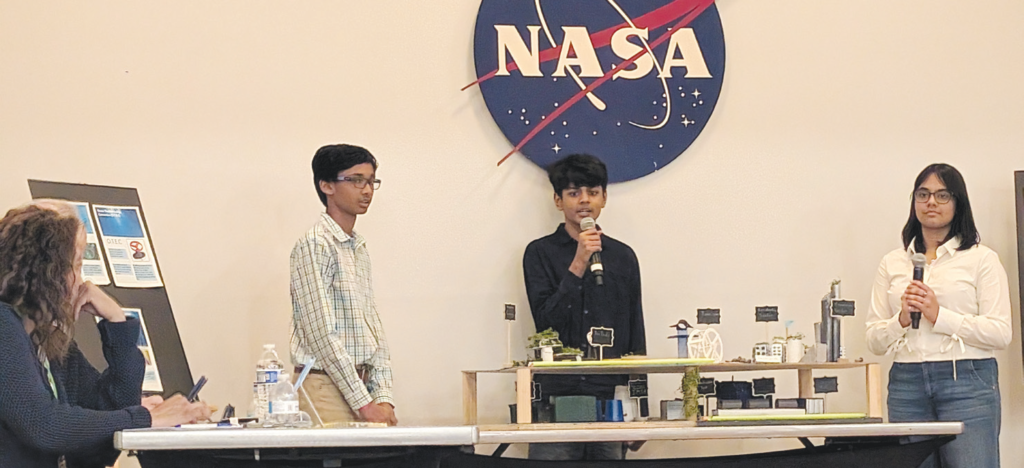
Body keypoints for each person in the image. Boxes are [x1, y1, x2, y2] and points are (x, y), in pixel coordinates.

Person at [0, 201, 211, 468]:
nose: (82, 281)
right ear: (47, 270)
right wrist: (144, 418)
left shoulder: (49, 343)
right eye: (77, 265)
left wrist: (116, 320)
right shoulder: (4, 326)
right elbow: (44, 425)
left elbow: (106, 424)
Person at [865, 164, 1011, 468]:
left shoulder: (981, 259)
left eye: (942, 195)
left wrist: (939, 315)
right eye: (923, 194)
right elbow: (874, 341)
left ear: (958, 202)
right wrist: (901, 319)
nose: (931, 202)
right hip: (907, 383)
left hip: (967, 380)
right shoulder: (893, 262)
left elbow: (1000, 333)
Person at [522, 154, 646, 460]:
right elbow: (545, 322)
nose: (584, 200)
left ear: (604, 198)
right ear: (558, 200)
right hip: (556, 397)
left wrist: (639, 409)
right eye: (574, 193)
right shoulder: (539, 253)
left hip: (610, 400)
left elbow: (635, 334)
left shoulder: (623, 256)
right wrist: (578, 262)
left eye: (593, 192)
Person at [290, 144, 397, 427]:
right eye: (356, 180)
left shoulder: (357, 246)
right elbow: (322, 335)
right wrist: (364, 404)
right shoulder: (315, 244)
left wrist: (383, 396)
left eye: (371, 181)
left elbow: (372, 327)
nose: (367, 190)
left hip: (362, 387)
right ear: (327, 186)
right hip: (325, 386)